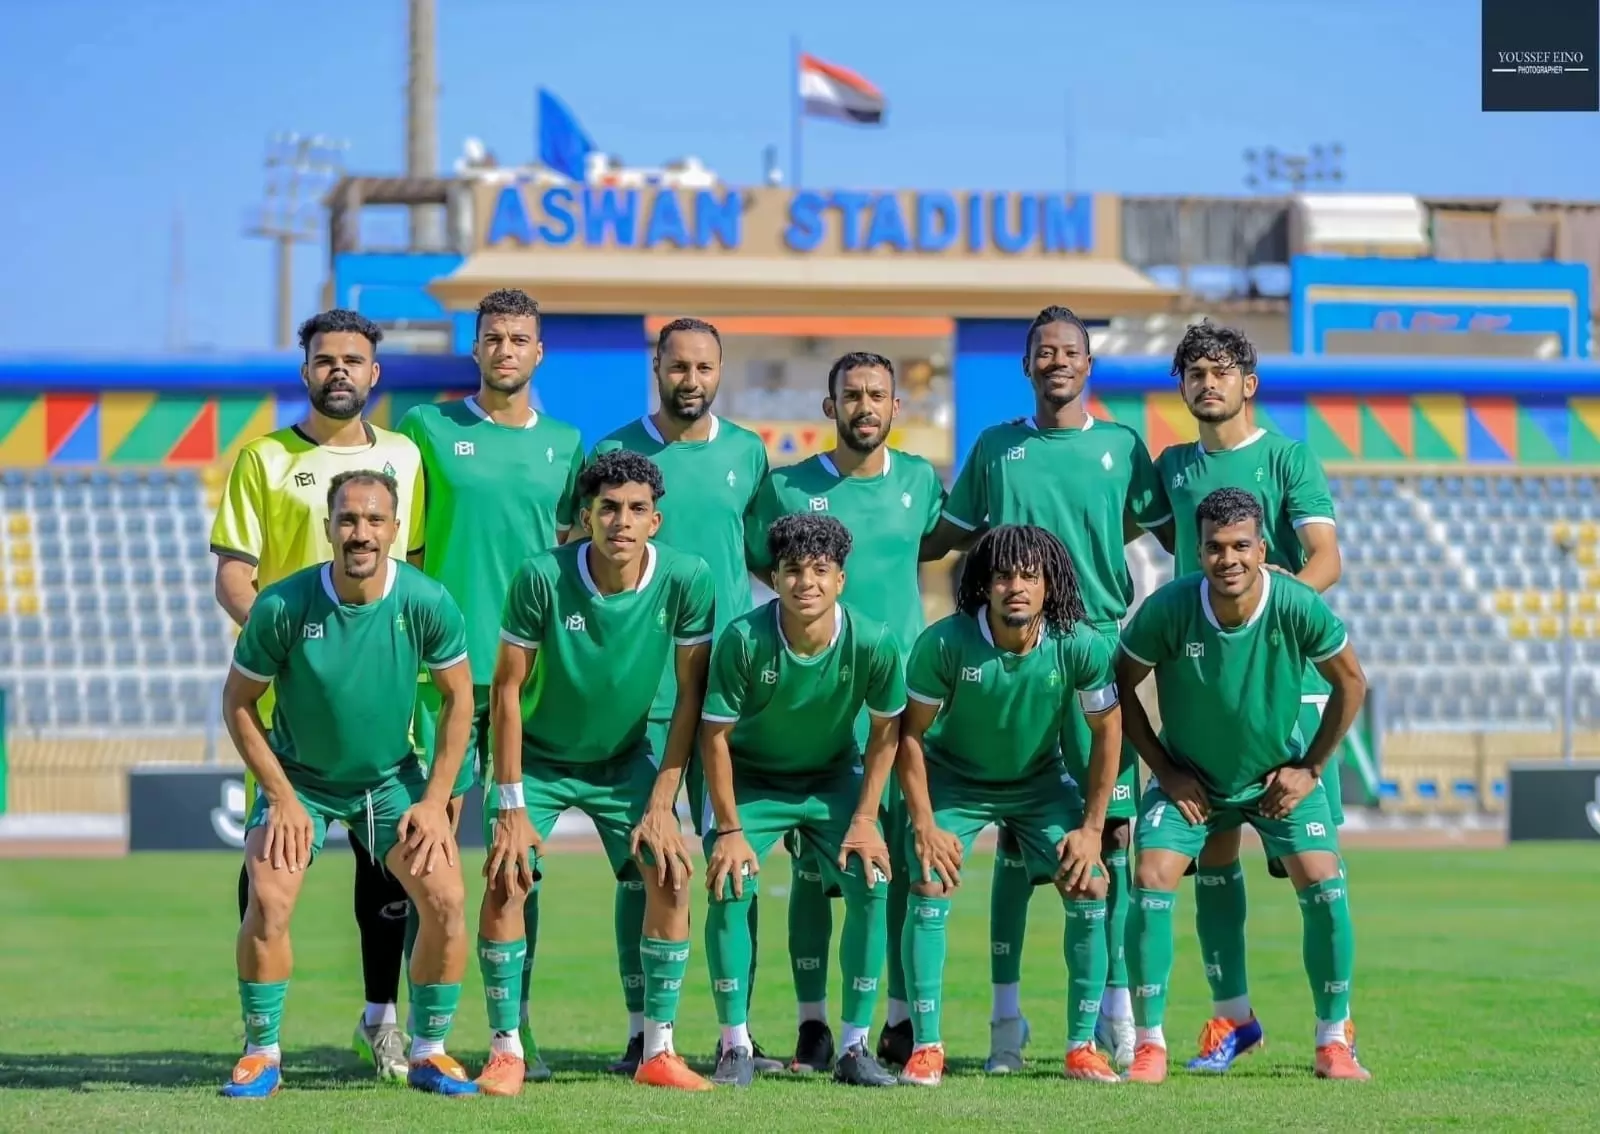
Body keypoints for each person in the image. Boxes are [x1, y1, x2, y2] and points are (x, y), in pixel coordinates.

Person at [919, 306, 1169, 1071]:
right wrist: (873, 543)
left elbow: (1173, 532)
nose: (1057, 362)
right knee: (1014, 837)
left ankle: (1114, 1013)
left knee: (1108, 837)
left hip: (1093, 648)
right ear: (1027, 366)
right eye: (1045, 352)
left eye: (1070, 352)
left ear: (1088, 365)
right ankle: (1006, 1021)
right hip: (1016, 647)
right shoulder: (997, 447)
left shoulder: (1122, 447)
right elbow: (945, 535)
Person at [210, 309, 425, 1080]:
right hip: (286, 713)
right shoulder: (264, 458)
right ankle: (260, 1038)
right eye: (326, 359)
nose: (340, 370)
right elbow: (234, 576)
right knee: (268, 868)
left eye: (353, 360)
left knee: (388, 869)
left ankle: (382, 1020)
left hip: (384, 708)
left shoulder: (404, 457)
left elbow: (412, 571)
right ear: (306, 371)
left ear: (375, 374)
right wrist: (289, 647)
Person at [219, 470, 477, 1098]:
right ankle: (261, 1053)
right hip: (300, 781)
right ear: (329, 526)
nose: (361, 532)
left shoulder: (426, 601)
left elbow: (460, 699)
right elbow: (237, 703)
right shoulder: (283, 606)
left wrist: (435, 801)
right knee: (269, 900)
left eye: (374, 520)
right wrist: (280, 796)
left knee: (446, 900)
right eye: (349, 520)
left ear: (395, 529)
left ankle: (430, 1052)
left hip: (388, 781)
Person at [473, 450, 716, 1094]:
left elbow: (691, 695)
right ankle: (505, 1050)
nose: (621, 521)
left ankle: (658, 1051)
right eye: (608, 508)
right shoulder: (541, 576)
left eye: (637, 509)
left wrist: (663, 801)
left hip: (624, 758)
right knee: (507, 876)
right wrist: (510, 804)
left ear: (656, 521)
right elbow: (506, 689)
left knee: (670, 872)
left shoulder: (688, 578)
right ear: (586, 517)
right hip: (539, 759)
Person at [1149, 320, 1351, 1072]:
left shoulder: (1288, 457)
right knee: (1214, 853)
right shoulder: (1171, 468)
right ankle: (1232, 1019)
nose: (1209, 384)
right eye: (1195, 373)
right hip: (1202, 685)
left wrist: (1275, 614)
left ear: (1248, 383)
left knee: (1313, 869)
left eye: (1222, 371)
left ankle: (1336, 1032)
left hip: (1283, 690)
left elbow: (1326, 557)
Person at [1116, 487, 1369, 1083]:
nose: (1227, 559)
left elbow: (1351, 682)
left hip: (1276, 775)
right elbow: (1119, 685)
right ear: (1198, 550)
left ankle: (1334, 1038)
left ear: (1261, 550)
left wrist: (1310, 768)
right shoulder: (1171, 607)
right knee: (1151, 876)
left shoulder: (1296, 603)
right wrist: (1166, 770)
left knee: (1323, 878)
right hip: (1191, 778)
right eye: (1214, 547)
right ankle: (1152, 1043)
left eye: (1239, 546)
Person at [396, 288, 583, 1084]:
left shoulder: (567, 445)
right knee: (427, 858)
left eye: (520, 339)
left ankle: (515, 1026)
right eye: (494, 337)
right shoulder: (427, 428)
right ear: (475, 348)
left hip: (526, 685)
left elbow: (574, 561)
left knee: (517, 860)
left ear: (539, 353)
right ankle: (419, 1034)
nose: (506, 350)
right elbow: (405, 549)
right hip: (440, 677)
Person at [743, 352, 945, 1071]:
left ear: (895, 407)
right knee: (809, 869)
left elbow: (936, 545)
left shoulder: (920, 482)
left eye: (877, 395)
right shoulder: (788, 486)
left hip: (898, 703)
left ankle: (896, 1020)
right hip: (819, 705)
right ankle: (812, 1025)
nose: (865, 405)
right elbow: (766, 564)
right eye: (851, 395)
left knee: (890, 864)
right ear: (830, 407)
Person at [590, 318, 781, 1073]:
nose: (691, 379)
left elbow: (767, 558)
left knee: (735, 857)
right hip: (647, 694)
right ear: (657, 369)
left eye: (704, 367)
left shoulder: (748, 452)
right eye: (678, 366)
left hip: (730, 696)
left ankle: (738, 1035)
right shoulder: (614, 451)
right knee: (645, 863)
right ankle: (643, 1031)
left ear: (720, 371)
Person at [896, 525, 1124, 1088]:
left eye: (1029, 575)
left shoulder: (1078, 644)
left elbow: (1108, 731)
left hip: (1039, 782)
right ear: (984, 584)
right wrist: (924, 825)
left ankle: (1081, 1046)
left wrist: (1092, 828)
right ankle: (926, 1047)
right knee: (928, 879)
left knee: (1091, 882)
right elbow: (910, 736)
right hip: (956, 782)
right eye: (1003, 576)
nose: (1015, 587)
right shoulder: (945, 643)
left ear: (1050, 585)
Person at [701, 514, 904, 1089]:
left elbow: (886, 732)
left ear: (841, 579)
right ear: (774, 578)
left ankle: (855, 1047)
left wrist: (865, 819)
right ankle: (734, 1046)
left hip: (832, 778)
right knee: (730, 882)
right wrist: (729, 829)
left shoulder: (873, 640)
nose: (805, 583)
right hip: (754, 781)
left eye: (820, 570)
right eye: (792, 570)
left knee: (873, 879)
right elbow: (714, 737)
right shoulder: (744, 639)